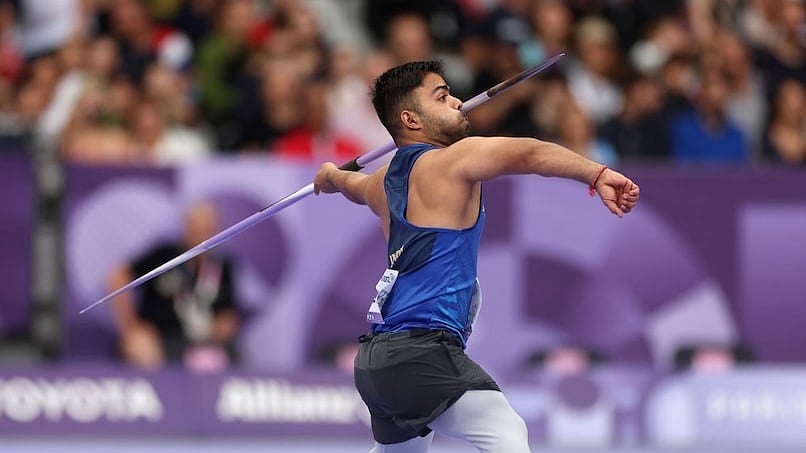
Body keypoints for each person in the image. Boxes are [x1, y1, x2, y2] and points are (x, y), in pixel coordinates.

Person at [313, 60, 640, 453]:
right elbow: (532, 153)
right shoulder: (453, 161)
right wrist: (597, 174)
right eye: (442, 96)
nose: (458, 101)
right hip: (422, 352)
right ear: (410, 119)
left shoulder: (380, 184)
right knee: (506, 432)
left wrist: (330, 175)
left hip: (377, 364)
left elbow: (350, 183)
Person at [108, 201, 241, 372]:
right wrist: (132, 326)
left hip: (203, 342)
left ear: (216, 231)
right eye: (195, 229)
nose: (201, 237)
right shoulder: (165, 256)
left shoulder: (223, 266)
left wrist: (220, 328)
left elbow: (229, 316)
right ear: (186, 229)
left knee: (217, 361)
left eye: (206, 230)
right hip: (160, 338)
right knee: (139, 347)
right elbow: (117, 276)